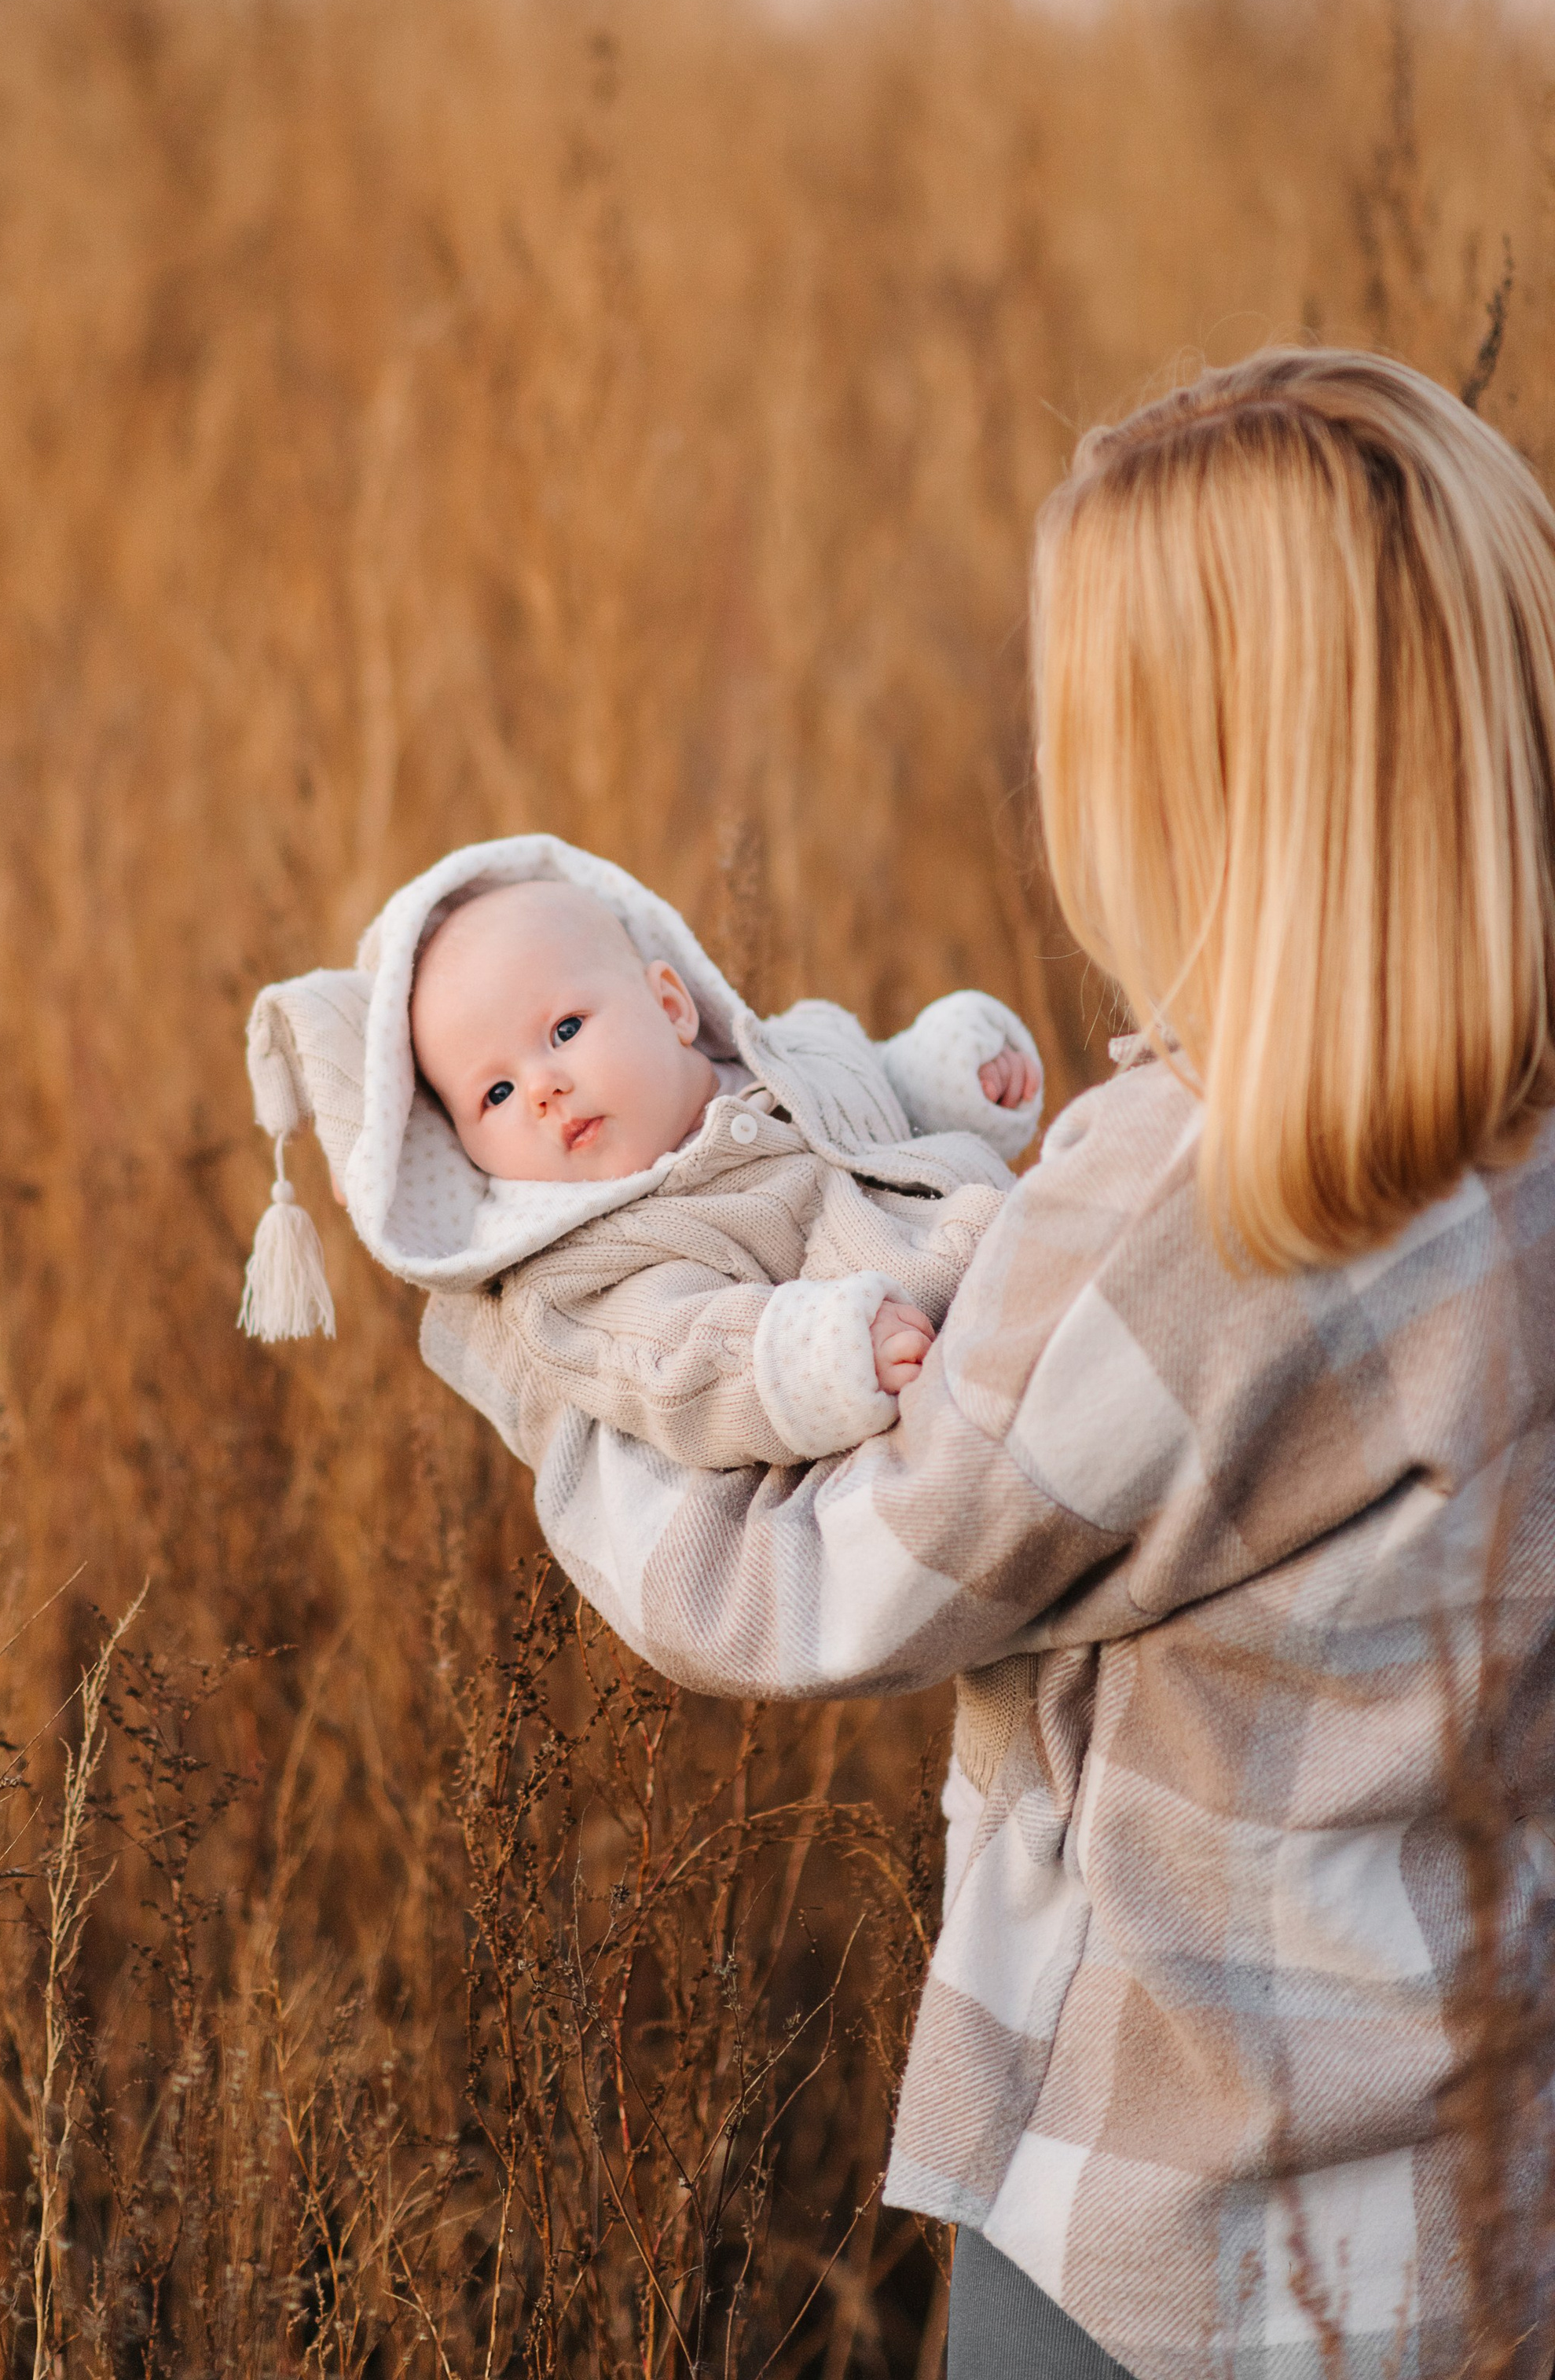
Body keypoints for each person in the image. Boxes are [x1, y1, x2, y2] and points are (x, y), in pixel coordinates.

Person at [419, 352, 1555, 2380]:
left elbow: (819, 1578)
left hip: (1184, 2214)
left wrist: (543, 1344)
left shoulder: (1206, 1196)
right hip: (1489, 2184)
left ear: (1186, 771)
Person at [238, 833, 1041, 1465]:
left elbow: (880, 1088)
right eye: (496, 1095)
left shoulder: (790, 1051)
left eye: (563, 1031)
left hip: (1026, 1248)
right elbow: (672, 1365)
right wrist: (826, 1355)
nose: (543, 1090)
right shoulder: (589, 1268)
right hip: (942, 1358)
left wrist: (959, 1078)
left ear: (669, 1005)